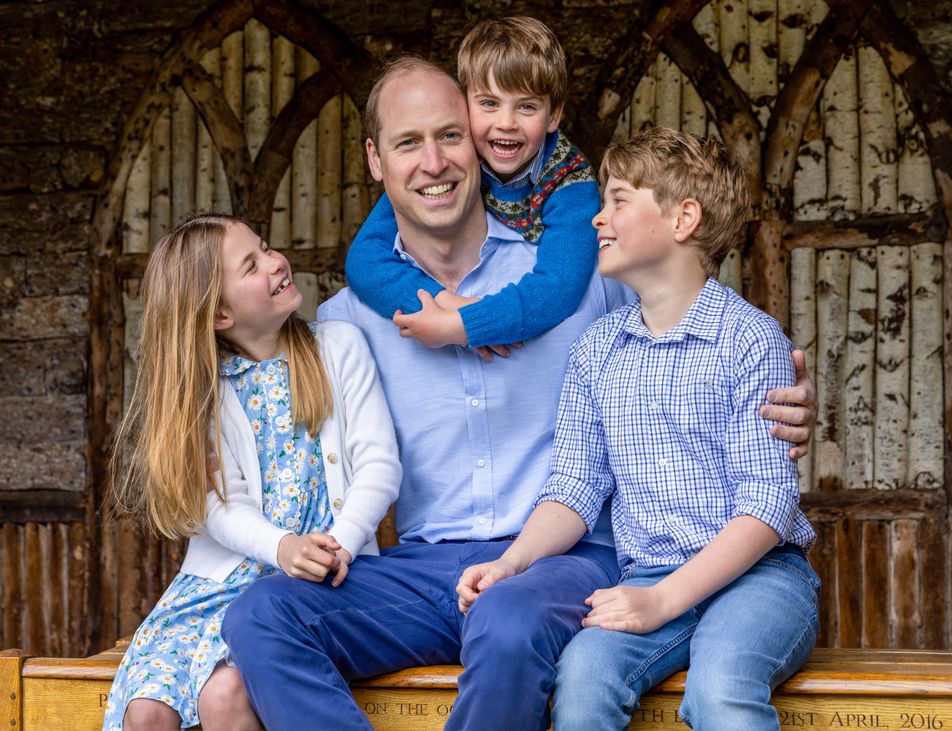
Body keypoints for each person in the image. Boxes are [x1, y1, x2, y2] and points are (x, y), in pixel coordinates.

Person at [222, 60, 816, 731]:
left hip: (566, 561)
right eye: (407, 143)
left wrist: (789, 399)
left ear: (478, 145)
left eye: (450, 136)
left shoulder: (578, 276)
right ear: (375, 160)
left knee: (508, 620)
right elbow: (247, 381)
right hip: (425, 570)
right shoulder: (344, 322)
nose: (434, 161)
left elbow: (690, 331)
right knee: (261, 613)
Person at [456, 127, 820, 731]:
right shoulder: (597, 351)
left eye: (619, 200)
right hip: (649, 573)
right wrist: (511, 563)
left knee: (720, 688)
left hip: (762, 579)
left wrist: (662, 601)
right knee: (583, 680)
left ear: (684, 219)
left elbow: (768, 503)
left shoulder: (749, 340)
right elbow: (574, 488)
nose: (599, 218)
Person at [102, 214, 401, 731]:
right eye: (252, 264)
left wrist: (341, 544)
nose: (276, 261)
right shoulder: (204, 393)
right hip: (217, 586)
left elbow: (379, 464)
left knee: (225, 696)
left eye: (265, 248)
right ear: (219, 313)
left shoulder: (339, 348)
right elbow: (219, 508)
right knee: (146, 711)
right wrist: (282, 546)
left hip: (322, 578)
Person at [344, 16, 599, 354]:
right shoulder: (460, 161)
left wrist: (467, 325)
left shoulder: (571, 182)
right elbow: (363, 261)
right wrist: (443, 303)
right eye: (489, 104)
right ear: (465, 106)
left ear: (553, 117)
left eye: (526, 106)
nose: (505, 123)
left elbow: (559, 288)